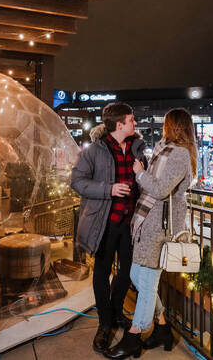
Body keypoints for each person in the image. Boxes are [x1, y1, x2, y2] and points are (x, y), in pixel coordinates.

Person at [105, 108, 195, 359]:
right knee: (138, 275)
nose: (163, 127)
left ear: (173, 126)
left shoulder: (179, 154)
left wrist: (139, 173)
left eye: (166, 123)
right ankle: (163, 327)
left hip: (161, 227)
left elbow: (161, 188)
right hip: (148, 221)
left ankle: (134, 336)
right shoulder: (163, 150)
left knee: (145, 281)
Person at [71, 102, 147, 353]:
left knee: (127, 273)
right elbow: (77, 182)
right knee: (102, 274)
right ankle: (105, 324)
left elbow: (144, 184)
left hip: (130, 225)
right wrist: (109, 189)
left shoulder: (137, 150)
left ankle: (115, 314)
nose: (135, 123)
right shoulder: (94, 151)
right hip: (104, 224)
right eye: (131, 120)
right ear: (119, 125)